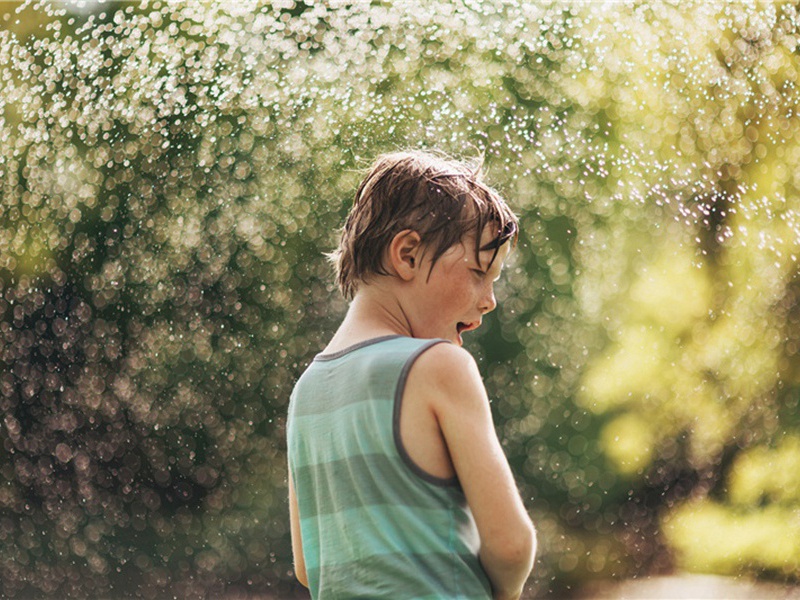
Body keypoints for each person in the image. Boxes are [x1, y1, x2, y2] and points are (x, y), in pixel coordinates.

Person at [287, 150, 536, 599]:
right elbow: (512, 545)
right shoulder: (440, 366)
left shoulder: (306, 391)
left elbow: (308, 564)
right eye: (480, 272)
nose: (489, 300)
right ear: (407, 254)